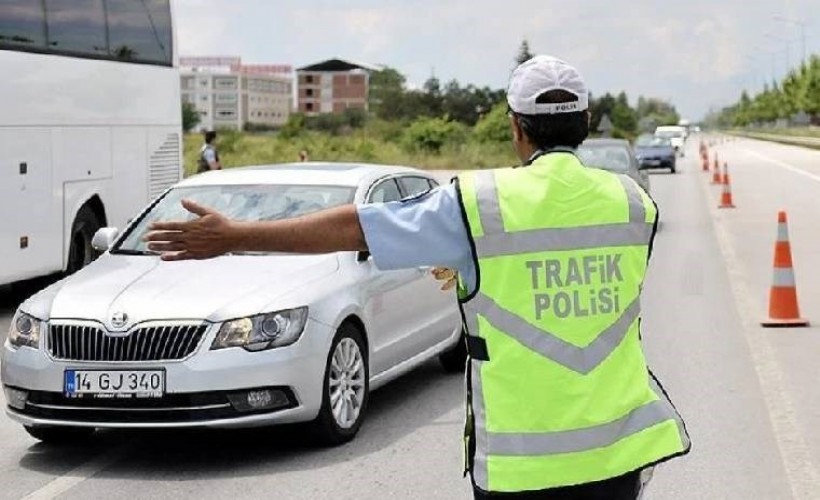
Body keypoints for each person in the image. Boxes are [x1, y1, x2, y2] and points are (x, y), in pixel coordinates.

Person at [145, 55, 690, 499]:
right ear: (587, 124)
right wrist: (471, 264)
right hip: (618, 456)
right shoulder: (632, 202)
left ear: (516, 129)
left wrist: (237, 235)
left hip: (524, 467)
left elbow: (356, 227)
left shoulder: (480, 206)